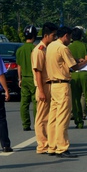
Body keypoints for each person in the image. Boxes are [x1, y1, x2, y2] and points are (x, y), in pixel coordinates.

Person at [45, 26, 87, 158]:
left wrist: (78, 60)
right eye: (70, 37)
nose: (70, 40)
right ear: (65, 35)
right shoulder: (63, 48)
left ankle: (52, 146)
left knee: (53, 118)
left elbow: (64, 62)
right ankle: (62, 147)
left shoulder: (51, 46)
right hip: (62, 84)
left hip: (53, 84)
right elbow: (74, 67)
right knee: (62, 118)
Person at [31, 22, 57, 155]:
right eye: (53, 35)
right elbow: (38, 72)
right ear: (46, 35)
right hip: (43, 86)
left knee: (49, 116)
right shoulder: (39, 50)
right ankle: (42, 145)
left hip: (50, 85)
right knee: (41, 117)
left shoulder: (47, 49)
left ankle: (49, 141)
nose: (55, 37)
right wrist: (41, 91)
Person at [16, 25, 37, 131]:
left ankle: (25, 124)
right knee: (36, 102)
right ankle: (37, 123)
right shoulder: (36, 49)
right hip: (34, 78)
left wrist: (19, 79)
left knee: (24, 102)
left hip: (24, 78)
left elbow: (19, 66)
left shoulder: (20, 50)